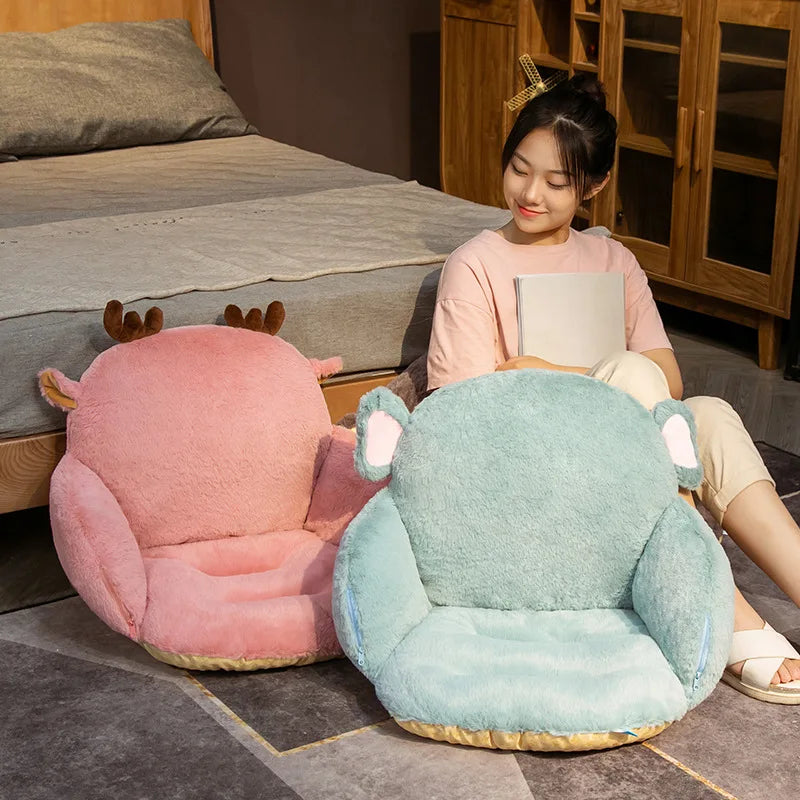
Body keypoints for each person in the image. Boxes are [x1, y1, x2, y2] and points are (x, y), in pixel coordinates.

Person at [426, 74, 800, 704]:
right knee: (629, 373)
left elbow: (668, 380)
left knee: (704, 410)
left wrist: (546, 368)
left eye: (557, 182)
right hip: (531, 467)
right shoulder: (475, 263)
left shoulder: (612, 260)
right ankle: (726, 607)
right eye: (521, 169)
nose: (530, 193)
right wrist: (579, 380)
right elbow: (459, 413)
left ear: (593, 187)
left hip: (619, 458)